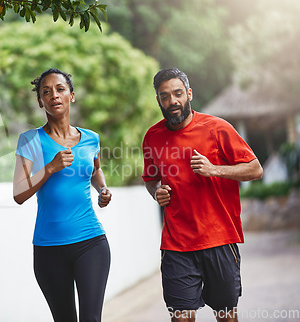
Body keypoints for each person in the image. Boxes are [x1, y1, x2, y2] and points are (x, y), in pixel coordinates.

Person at [142, 68, 263, 322]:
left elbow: (255, 169)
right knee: (181, 318)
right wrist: (157, 192)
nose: (172, 101)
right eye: (165, 96)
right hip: (177, 244)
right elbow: (151, 180)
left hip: (219, 238)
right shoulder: (153, 137)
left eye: (177, 94)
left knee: (226, 316)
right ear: (158, 101)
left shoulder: (217, 128)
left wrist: (214, 169)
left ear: (189, 94)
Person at [13, 68, 112, 322]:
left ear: (72, 96)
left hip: (90, 241)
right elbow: (19, 193)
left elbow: (95, 171)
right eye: (46, 92)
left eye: (60, 89)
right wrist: (50, 168)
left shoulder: (91, 138)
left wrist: (102, 190)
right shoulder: (30, 140)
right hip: (49, 249)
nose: (53, 95)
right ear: (40, 102)